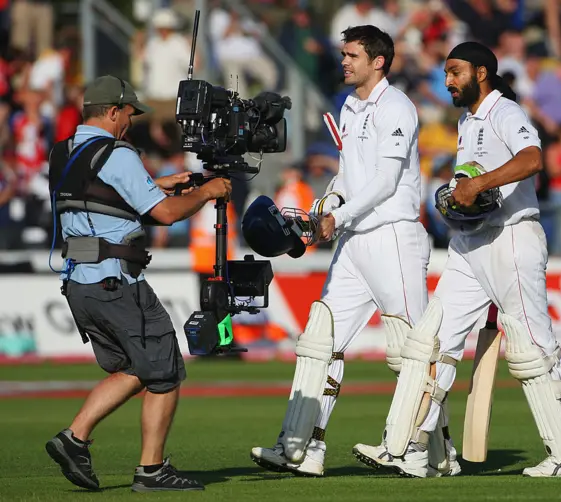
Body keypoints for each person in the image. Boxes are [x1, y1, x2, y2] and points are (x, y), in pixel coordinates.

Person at [354, 41, 561, 478]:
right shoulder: (467, 120)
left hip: (512, 238)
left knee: (531, 346)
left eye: (455, 72)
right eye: (445, 72)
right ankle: (409, 447)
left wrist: (478, 182)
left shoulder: (504, 111)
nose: (447, 81)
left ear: (481, 73)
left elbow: (533, 159)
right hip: (470, 242)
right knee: (431, 340)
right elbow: (473, 188)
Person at [250, 25, 459, 479]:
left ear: (378, 61)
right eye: (343, 55)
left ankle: (425, 451)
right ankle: (301, 448)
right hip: (354, 243)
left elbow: (385, 183)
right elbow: (350, 176)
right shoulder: (349, 105)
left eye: (352, 55)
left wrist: (337, 218)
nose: (343, 62)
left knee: (413, 351)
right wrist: (322, 208)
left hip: (393, 237)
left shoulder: (397, 106)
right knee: (319, 340)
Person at [44, 75, 231, 492]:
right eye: (129, 113)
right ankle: (151, 470)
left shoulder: (62, 151)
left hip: (79, 282)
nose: (131, 122)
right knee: (164, 370)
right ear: (113, 112)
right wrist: (206, 193)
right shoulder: (117, 153)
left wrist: (156, 186)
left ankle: (73, 439)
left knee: (134, 368)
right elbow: (165, 215)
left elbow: (93, 197)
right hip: (117, 281)